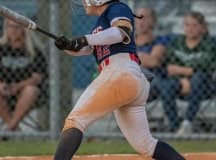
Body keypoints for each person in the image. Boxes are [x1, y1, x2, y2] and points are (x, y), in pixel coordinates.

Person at [53, 0, 185, 160]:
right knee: (146, 146)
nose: (84, 2)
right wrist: (68, 46)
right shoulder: (100, 24)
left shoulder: (117, 8)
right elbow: (87, 48)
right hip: (128, 78)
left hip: (120, 72)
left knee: (76, 120)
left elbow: (120, 33)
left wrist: (85, 39)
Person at [0, 18, 47, 133]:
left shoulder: (34, 50)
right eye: (10, 26)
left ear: (24, 29)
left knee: (31, 90)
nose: (13, 30)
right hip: (3, 90)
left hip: (24, 91)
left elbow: (37, 78)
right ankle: (13, 128)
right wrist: (0, 86)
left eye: (17, 27)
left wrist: (18, 86)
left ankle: (8, 130)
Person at [160, 11, 216, 134]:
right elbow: (169, 67)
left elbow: (208, 67)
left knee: (199, 77)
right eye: (187, 25)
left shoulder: (210, 44)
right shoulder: (176, 42)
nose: (190, 29)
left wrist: (183, 71)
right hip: (181, 83)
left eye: (194, 25)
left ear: (202, 27)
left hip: (206, 86)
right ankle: (175, 128)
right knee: (166, 86)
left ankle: (187, 122)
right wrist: (183, 78)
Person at [134, 7, 169, 102]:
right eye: (138, 17)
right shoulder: (128, 41)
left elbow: (154, 61)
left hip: (152, 84)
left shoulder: (160, 40)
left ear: (153, 21)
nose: (141, 20)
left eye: (145, 17)